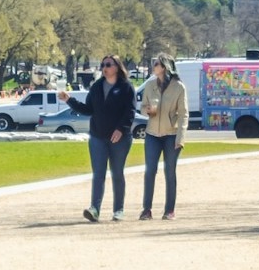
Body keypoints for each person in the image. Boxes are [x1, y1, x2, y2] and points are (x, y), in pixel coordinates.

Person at [60, 54, 136, 222]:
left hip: (120, 138)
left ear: (117, 67)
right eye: (102, 65)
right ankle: (94, 209)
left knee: (117, 173)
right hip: (97, 136)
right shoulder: (96, 87)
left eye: (108, 64)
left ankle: (119, 210)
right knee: (98, 174)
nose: (104, 68)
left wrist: (121, 130)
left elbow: (130, 112)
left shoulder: (126, 87)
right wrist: (69, 100)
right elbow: (88, 109)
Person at [138, 54, 187, 221]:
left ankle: (169, 210)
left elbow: (183, 115)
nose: (154, 65)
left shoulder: (179, 87)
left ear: (165, 67)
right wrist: (148, 111)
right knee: (150, 171)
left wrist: (180, 138)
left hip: (171, 135)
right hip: (152, 134)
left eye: (157, 63)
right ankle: (146, 209)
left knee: (169, 172)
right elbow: (142, 107)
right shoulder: (150, 85)